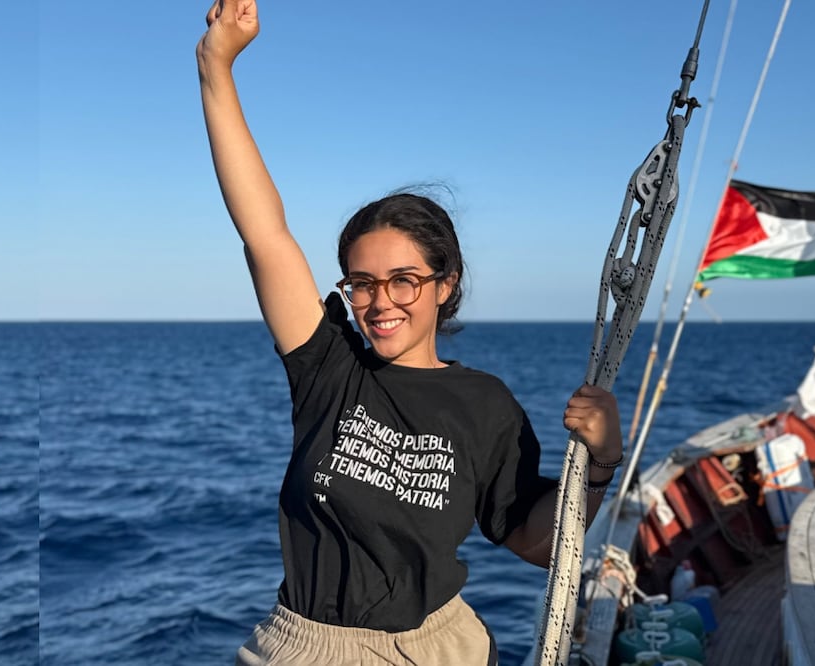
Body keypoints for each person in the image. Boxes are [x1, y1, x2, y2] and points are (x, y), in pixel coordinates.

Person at [197, 2, 624, 664]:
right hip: (308, 647)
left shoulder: (486, 405)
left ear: (444, 283)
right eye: (361, 283)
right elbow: (265, 232)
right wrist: (216, 68)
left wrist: (600, 463)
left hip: (438, 646)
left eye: (403, 279)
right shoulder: (328, 370)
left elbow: (538, 544)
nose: (379, 301)